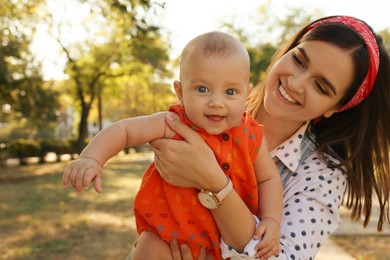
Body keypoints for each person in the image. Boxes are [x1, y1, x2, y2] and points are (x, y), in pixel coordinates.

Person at [149, 15, 390, 259]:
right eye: (298, 60)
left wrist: (214, 183)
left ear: (335, 107)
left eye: (320, 87)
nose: (296, 82)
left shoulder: (323, 175)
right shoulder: (212, 107)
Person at [62, 31, 283, 259]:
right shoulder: (174, 123)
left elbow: (268, 178)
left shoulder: (252, 136)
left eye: (230, 92)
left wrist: (271, 220)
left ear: (246, 94)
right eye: (202, 89)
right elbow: (125, 130)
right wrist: (91, 158)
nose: (216, 102)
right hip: (166, 236)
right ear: (180, 92)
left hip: (223, 244)